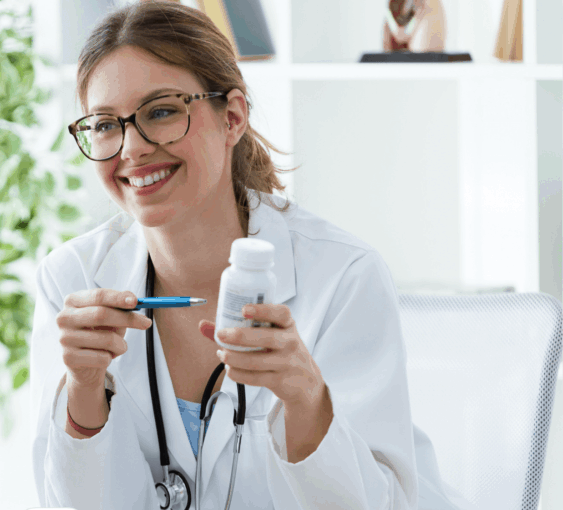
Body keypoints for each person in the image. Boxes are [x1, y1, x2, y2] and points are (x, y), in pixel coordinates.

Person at [29, 2, 468, 509]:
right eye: (106, 124)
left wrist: (304, 399)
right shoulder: (72, 281)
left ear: (232, 117)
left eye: (162, 111)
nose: (131, 148)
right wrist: (84, 391)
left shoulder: (342, 277)